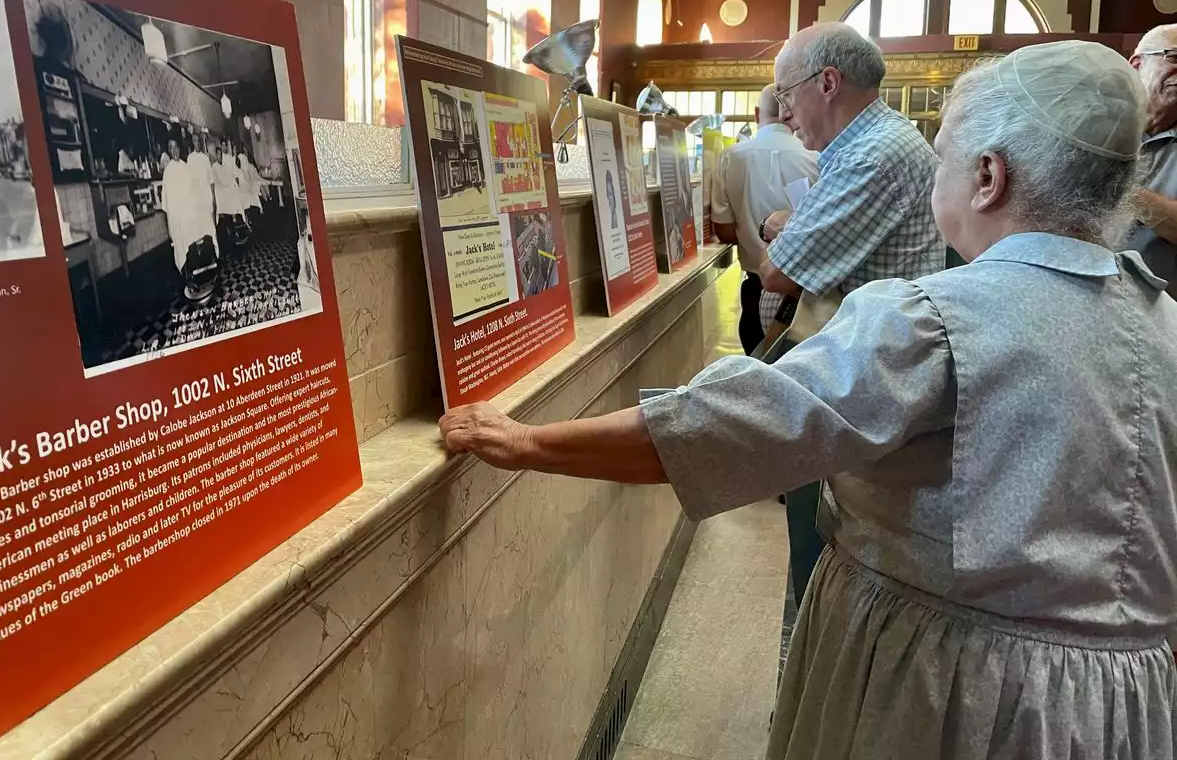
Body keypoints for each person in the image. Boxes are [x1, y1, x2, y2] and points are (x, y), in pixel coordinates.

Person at [439, 40, 1177, 760]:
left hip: (947, 687)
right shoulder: (1166, 319)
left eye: (944, 158)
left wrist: (531, 443)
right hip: (1124, 706)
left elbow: (738, 425)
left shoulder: (932, 320)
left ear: (987, 176)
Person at [759, 23, 945, 602]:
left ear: (828, 82)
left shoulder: (874, 154)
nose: (785, 113)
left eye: (786, 94)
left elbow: (779, 271)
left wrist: (776, 227)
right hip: (854, 364)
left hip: (862, 377)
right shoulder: (863, 147)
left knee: (825, 553)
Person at [710, 85, 819, 353]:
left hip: (756, 285)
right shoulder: (817, 158)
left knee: (756, 367)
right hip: (805, 293)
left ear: (756, 112)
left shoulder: (730, 156)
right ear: (789, 114)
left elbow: (723, 231)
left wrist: (751, 232)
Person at [1125, 22, 1177, 285]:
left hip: (1163, 313)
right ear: (1137, 64)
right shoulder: (1095, 125)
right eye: (1174, 57)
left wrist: (1121, 190)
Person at [160, 139, 217, 275]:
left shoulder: (186, 167)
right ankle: (191, 267)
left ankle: (207, 261)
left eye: (176, 147)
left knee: (205, 219)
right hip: (178, 215)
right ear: (169, 151)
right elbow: (168, 202)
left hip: (190, 210)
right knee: (186, 227)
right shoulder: (168, 172)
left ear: (180, 149)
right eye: (171, 148)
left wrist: (203, 203)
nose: (174, 150)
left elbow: (195, 190)